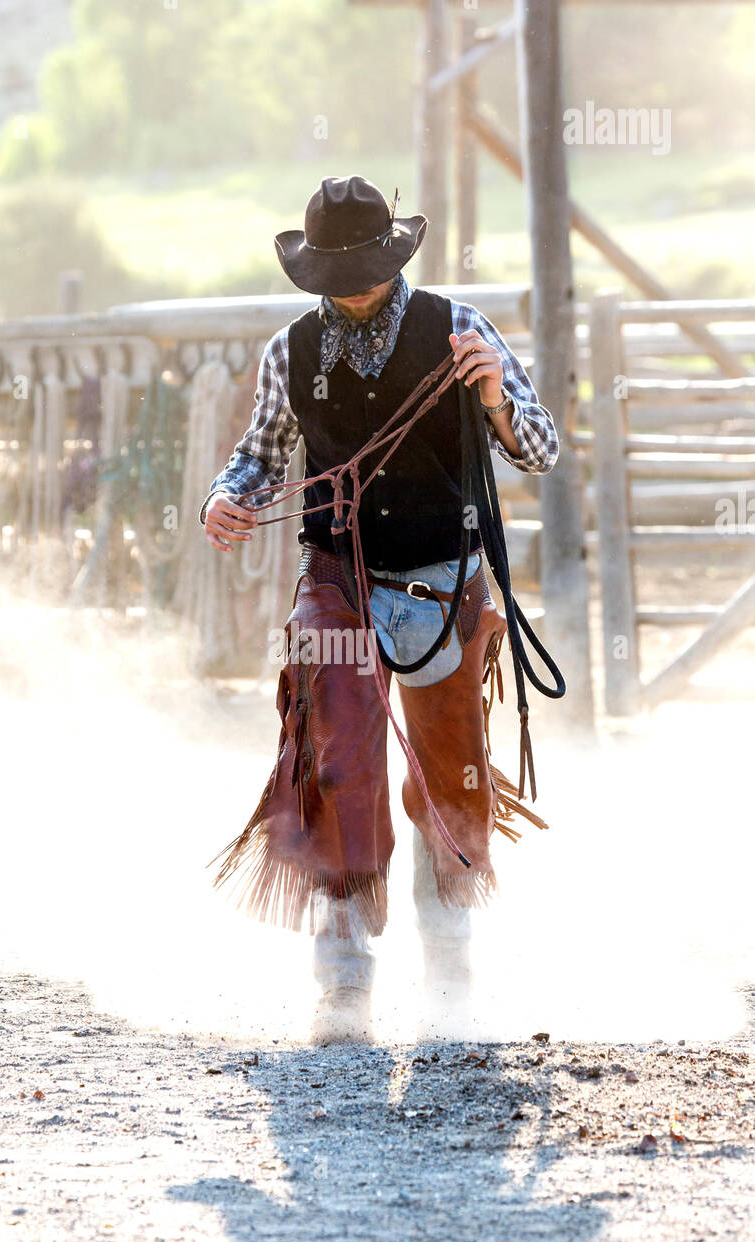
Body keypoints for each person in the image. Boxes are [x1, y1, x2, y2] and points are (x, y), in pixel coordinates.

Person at [200, 175, 558, 1043]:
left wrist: (495, 398)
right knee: (339, 763)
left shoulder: (462, 329)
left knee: (451, 775)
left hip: (444, 574)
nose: (350, 286)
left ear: (391, 260)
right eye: (336, 272)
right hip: (336, 573)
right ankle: (344, 982)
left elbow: (540, 447)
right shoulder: (291, 352)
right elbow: (260, 456)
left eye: (361, 268)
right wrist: (227, 496)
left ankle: (451, 972)